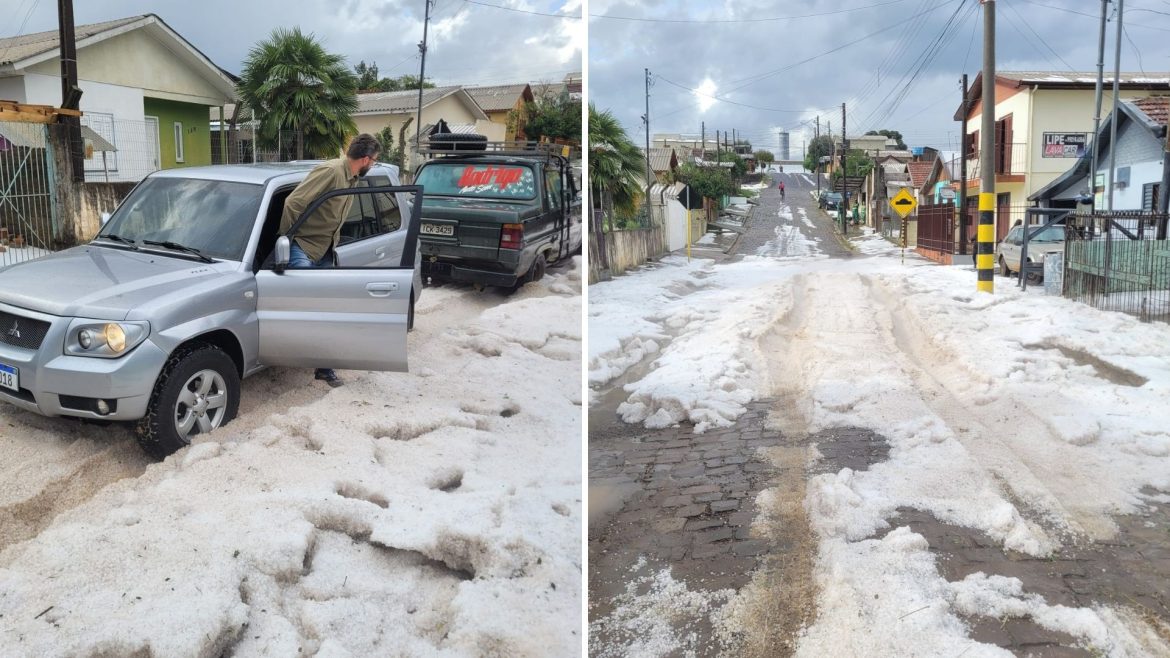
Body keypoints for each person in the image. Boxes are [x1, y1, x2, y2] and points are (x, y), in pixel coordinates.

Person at [279, 133, 382, 387]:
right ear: (366, 159)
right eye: (375, 161)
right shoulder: (332, 172)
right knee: (304, 308)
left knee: (327, 311)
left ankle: (324, 369)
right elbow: (293, 203)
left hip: (326, 251)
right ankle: (286, 356)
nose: (373, 165)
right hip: (303, 247)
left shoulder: (353, 179)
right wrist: (285, 240)